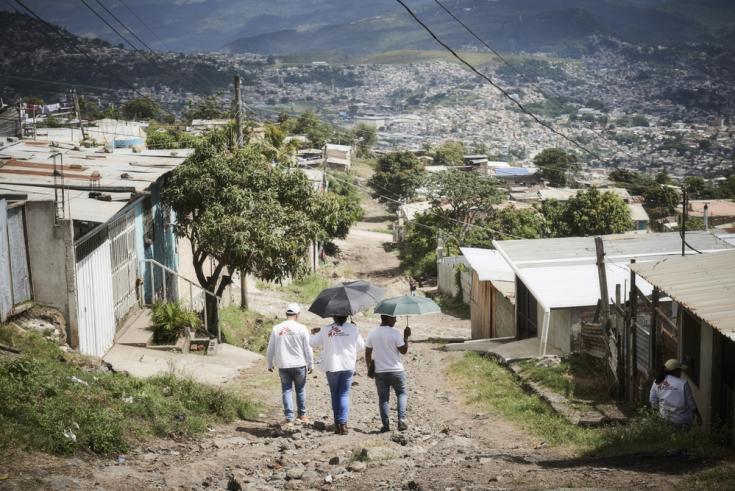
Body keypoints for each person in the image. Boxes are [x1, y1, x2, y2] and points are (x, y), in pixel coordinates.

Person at [310, 315, 365, 435]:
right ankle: (343, 424)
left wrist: (313, 333)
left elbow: (312, 343)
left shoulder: (326, 329)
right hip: (348, 365)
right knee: (344, 394)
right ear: (346, 316)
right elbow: (361, 346)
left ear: (333, 316)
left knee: (334, 394)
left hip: (332, 365)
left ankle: (337, 424)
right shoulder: (353, 328)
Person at [266, 303, 313, 427]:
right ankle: (302, 415)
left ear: (286, 314)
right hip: (299, 364)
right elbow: (308, 348)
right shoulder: (302, 328)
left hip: (283, 364)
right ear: (297, 315)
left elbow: (271, 347)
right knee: (300, 390)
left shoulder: (277, 328)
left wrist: (269, 363)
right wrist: (310, 363)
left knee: (286, 390)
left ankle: (289, 419)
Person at [365, 315, 411, 432]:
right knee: (401, 394)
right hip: (396, 371)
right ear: (387, 319)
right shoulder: (395, 333)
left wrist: (370, 367)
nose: (395, 320)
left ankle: (386, 425)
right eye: (393, 318)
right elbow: (404, 351)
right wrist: (406, 336)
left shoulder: (372, 333)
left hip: (380, 372)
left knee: (383, 399)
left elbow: (368, 353)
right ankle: (401, 421)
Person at [649, 358, 701, 427]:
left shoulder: (657, 382)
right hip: (682, 421)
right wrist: (698, 417)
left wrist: (661, 411)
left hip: (664, 420)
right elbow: (691, 404)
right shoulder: (683, 383)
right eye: (680, 370)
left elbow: (652, 401)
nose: (680, 372)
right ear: (676, 371)